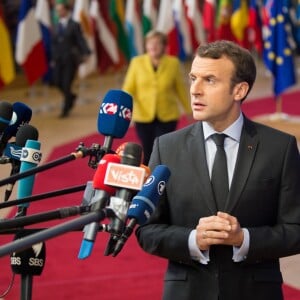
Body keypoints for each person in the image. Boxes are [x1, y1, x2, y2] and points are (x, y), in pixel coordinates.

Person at [136, 40, 300, 300]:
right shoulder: (166, 147)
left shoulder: (280, 148)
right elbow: (146, 230)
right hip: (187, 292)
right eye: (193, 78)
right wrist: (192, 239)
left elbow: (295, 229)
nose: (195, 90)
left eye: (210, 80)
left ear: (240, 90)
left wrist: (243, 239)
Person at [122, 30, 192, 165]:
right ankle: (149, 179)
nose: (153, 46)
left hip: (167, 115)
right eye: (150, 43)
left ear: (164, 46)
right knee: (148, 150)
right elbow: (128, 89)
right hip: (143, 116)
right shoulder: (137, 62)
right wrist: (124, 108)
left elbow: (180, 89)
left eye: (157, 43)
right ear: (146, 46)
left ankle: (163, 177)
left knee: (162, 148)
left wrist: (189, 110)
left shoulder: (173, 63)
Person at [51, 2, 91, 118]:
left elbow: (80, 40)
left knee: (66, 83)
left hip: (70, 59)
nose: (58, 13)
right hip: (58, 59)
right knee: (57, 82)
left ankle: (65, 109)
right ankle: (71, 96)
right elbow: (53, 44)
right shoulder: (56, 25)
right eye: (57, 11)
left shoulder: (74, 25)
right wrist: (53, 58)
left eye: (60, 10)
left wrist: (86, 52)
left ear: (66, 10)